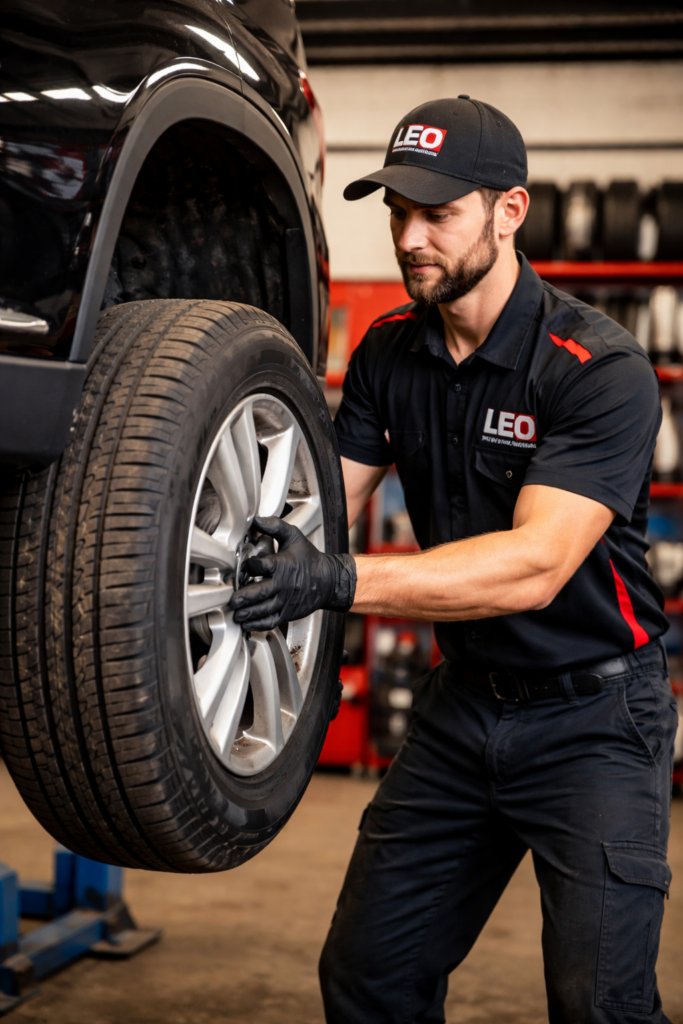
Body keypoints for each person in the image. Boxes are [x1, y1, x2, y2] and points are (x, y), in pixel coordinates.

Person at [230, 97, 678, 1024]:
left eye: (436, 214)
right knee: (368, 978)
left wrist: (335, 581)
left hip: (595, 717)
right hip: (462, 707)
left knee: (599, 1006)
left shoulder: (595, 368)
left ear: (508, 212)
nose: (408, 238)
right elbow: (319, 511)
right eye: (397, 212)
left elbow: (535, 566)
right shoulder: (388, 351)